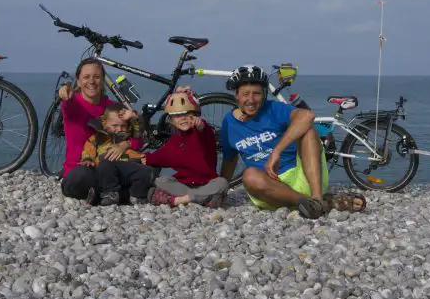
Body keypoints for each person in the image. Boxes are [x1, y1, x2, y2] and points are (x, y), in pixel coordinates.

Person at [219, 64, 366, 219]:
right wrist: (222, 190)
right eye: (245, 94)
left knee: (308, 130)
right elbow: (230, 158)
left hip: (304, 177)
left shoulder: (273, 109)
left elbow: (307, 116)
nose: (251, 100)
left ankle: (316, 199)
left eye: (256, 94)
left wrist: (277, 151)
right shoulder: (229, 123)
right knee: (249, 176)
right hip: (269, 189)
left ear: (264, 95)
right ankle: (317, 203)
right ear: (236, 95)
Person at [58, 58, 141, 202]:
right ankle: (115, 194)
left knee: (143, 168)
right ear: (78, 81)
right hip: (82, 168)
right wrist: (65, 93)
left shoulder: (114, 107)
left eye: (97, 77)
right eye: (86, 77)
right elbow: (67, 104)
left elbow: (138, 139)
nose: (91, 81)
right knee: (80, 177)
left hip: (110, 169)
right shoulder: (73, 104)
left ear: (103, 80)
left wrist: (125, 144)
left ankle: (104, 194)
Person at [142, 87, 229, 208]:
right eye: (177, 116)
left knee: (222, 183)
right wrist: (145, 158)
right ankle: (204, 199)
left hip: (207, 182)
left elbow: (204, 128)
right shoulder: (175, 140)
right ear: (171, 121)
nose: (183, 118)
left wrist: (200, 124)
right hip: (184, 184)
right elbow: (161, 156)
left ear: (196, 115)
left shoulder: (202, 131)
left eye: (187, 114)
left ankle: (178, 200)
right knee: (162, 180)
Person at [81, 103, 156, 205]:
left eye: (123, 126)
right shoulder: (98, 139)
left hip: (126, 165)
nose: (119, 129)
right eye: (115, 125)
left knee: (146, 172)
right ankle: (109, 194)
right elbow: (88, 150)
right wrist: (88, 159)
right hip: (106, 173)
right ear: (105, 123)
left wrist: (134, 117)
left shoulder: (130, 137)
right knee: (105, 163)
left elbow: (139, 134)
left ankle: (136, 195)